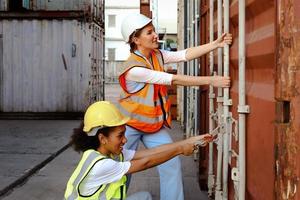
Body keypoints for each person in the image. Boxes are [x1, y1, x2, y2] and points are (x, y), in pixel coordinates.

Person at [118, 13, 232, 200]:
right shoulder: (134, 69)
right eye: (149, 32)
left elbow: (183, 55)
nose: (155, 35)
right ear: (135, 39)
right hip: (128, 127)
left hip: (152, 126)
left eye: (153, 30)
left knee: (171, 162)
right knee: (122, 168)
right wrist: (211, 80)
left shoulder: (157, 55)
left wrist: (215, 44)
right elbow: (174, 79)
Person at [64, 101, 213, 200]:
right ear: (103, 138)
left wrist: (189, 141)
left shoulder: (109, 154)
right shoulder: (101, 165)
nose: (125, 140)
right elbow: (146, 162)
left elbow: (151, 152)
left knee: (145, 197)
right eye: (120, 135)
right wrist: (180, 149)